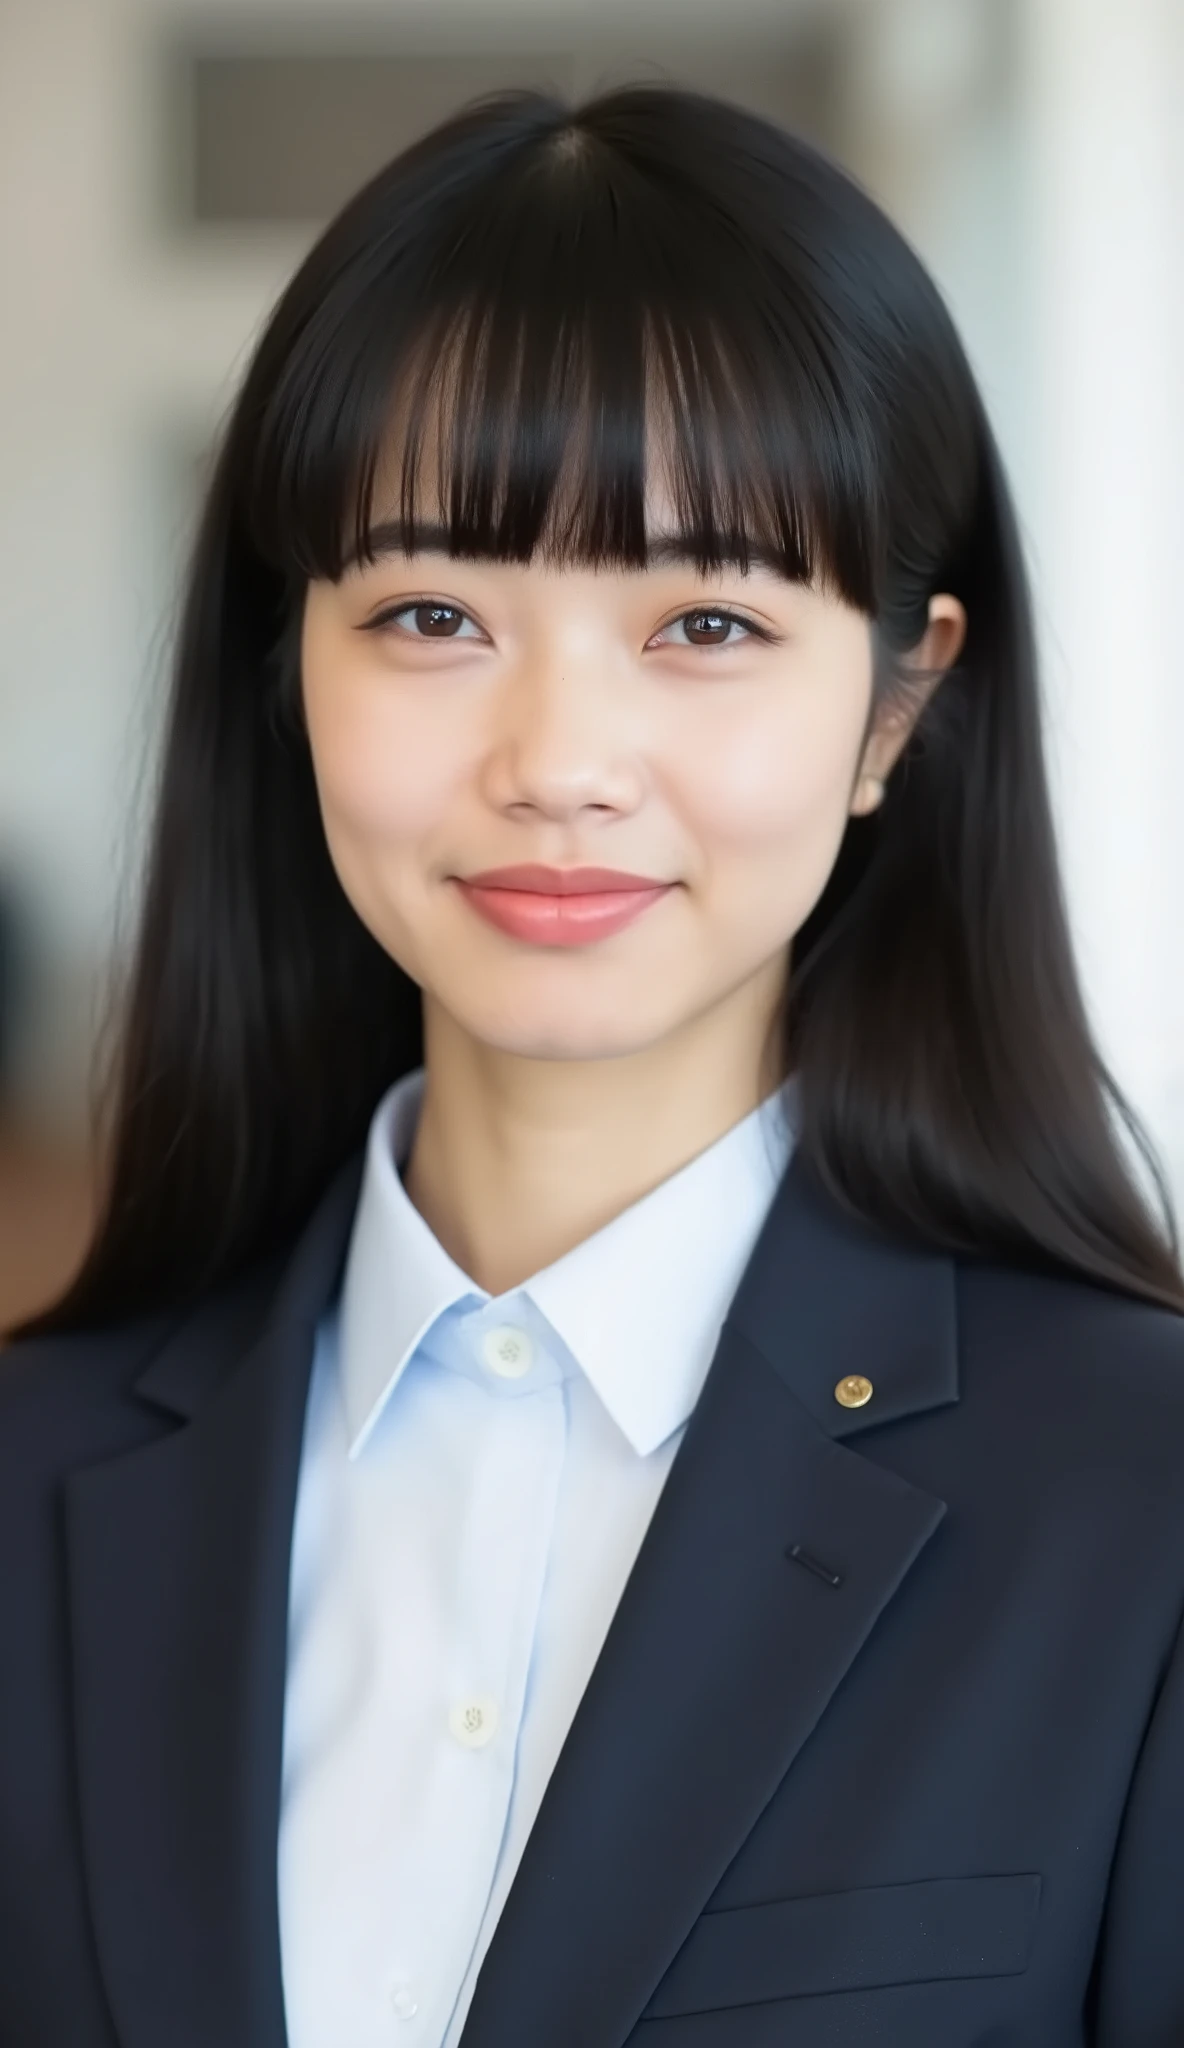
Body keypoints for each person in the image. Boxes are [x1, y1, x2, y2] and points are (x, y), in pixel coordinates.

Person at [2, 84, 1184, 2048]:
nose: (556, 759)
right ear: (283, 669)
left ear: (900, 701)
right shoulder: (32, 1481)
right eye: (432, 613)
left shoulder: (1137, 1504)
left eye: (704, 618)